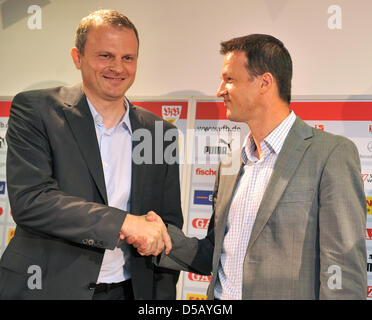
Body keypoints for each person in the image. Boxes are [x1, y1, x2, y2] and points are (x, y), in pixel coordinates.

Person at [144, 34, 367, 299]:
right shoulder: (229, 166)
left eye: (229, 79)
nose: (220, 90)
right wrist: (162, 238)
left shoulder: (330, 154)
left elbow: (343, 272)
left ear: (264, 82)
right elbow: (214, 253)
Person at [0, 9, 183, 300]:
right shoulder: (35, 110)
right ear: (77, 57)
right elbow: (32, 201)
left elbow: (168, 224)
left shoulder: (161, 133)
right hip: (48, 289)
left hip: (128, 291)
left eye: (128, 58)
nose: (118, 68)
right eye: (105, 56)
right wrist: (125, 222)